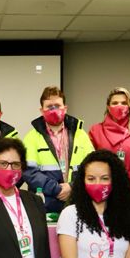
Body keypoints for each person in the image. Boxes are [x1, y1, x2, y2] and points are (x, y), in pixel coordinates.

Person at [23, 85, 94, 215]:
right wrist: (56, 189)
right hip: (45, 206)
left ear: (65, 108)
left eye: (57, 105)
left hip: (77, 203)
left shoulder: (80, 134)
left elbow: (92, 167)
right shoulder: (31, 137)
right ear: (41, 110)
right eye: (49, 107)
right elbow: (29, 172)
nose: (54, 110)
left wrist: (72, 187)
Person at [87, 88, 130, 198]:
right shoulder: (95, 131)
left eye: (124, 103)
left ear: (129, 107)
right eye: (115, 103)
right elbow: (89, 167)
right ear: (108, 107)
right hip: (101, 194)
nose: (119, 106)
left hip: (129, 195)